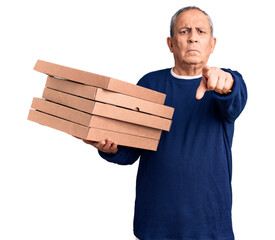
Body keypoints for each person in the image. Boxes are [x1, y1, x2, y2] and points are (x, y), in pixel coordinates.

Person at [82, 6, 247, 240]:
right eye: (184, 31)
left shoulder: (223, 84)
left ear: (212, 43)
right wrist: (110, 148)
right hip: (156, 224)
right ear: (170, 43)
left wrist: (228, 83)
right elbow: (130, 150)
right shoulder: (149, 84)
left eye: (201, 32)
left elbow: (236, 97)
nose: (192, 38)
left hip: (209, 224)